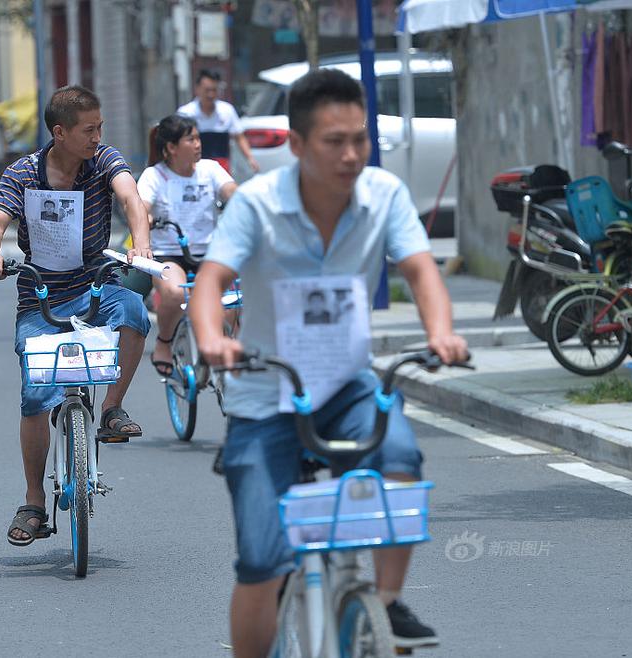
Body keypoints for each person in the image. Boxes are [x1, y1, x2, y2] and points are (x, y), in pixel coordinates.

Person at [188, 68, 469, 657]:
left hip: (346, 384)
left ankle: (385, 603)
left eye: (359, 139)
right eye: (334, 141)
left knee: (399, 459)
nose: (351, 154)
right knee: (261, 560)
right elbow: (210, 281)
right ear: (296, 144)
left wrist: (441, 333)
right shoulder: (258, 203)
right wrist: (212, 339)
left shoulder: (384, 194)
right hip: (266, 393)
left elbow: (420, 269)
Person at [0, 85, 154, 546]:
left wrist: (140, 244)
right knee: (36, 397)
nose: (97, 137)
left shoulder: (103, 161)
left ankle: (111, 409)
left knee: (134, 311)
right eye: (88, 130)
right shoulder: (23, 173)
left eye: (100, 128)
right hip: (41, 297)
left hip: (94, 285)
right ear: (60, 132)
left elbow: (131, 199)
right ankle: (34, 501)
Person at [137, 114, 236, 376]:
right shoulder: (154, 176)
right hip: (169, 254)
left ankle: (223, 345)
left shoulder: (210, 169)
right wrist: (145, 219)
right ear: (171, 147)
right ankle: (164, 342)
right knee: (175, 293)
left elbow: (232, 192)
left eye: (198, 138)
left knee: (233, 299)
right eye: (190, 139)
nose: (198, 144)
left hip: (210, 253)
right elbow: (140, 208)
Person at [177, 69, 259, 175]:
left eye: (214, 90)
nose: (211, 94)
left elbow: (239, 137)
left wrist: (250, 158)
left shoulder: (227, 110)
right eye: (207, 90)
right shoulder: (186, 113)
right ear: (197, 89)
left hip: (221, 167)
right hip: (194, 167)